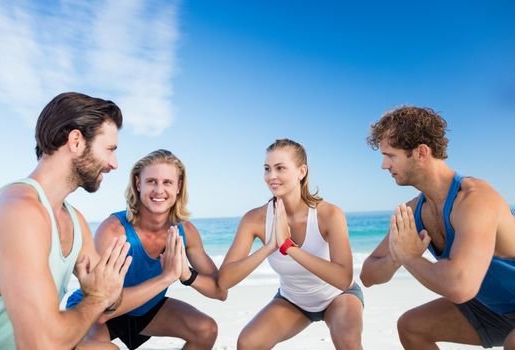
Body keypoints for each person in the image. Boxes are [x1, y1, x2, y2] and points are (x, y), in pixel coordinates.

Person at [360, 106, 515, 349]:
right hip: (493, 310)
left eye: (391, 155)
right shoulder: (414, 211)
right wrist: (397, 256)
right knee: (412, 327)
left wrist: (409, 257)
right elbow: (368, 275)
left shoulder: (474, 199)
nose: (384, 165)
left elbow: (461, 286)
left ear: (421, 152)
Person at [0, 92, 132, 349]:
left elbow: (112, 297)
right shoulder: (20, 211)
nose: (114, 164)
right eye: (109, 149)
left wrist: (102, 292)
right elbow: (42, 344)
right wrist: (97, 298)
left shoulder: (75, 220)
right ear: (76, 141)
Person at [67, 149, 227, 349]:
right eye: (151, 181)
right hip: (99, 312)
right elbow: (104, 309)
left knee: (205, 330)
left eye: (167, 182)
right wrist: (167, 277)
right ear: (138, 184)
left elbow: (220, 292)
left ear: (179, 186)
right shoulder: (114, 230)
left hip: (147, 309)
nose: (159, 190)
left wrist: (186, 275)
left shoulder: (185, 231)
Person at [218, 139, 364, 350]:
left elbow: (343, 279)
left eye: (280, 168)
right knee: (248, 343)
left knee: (348, 342)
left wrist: (288, 247)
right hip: (293, 300)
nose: (271, 176)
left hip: (338, 296)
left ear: (301, 171)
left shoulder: (329, 214)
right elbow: (224, 281)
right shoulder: (254, 219)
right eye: (267, 169)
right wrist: (270, 246)